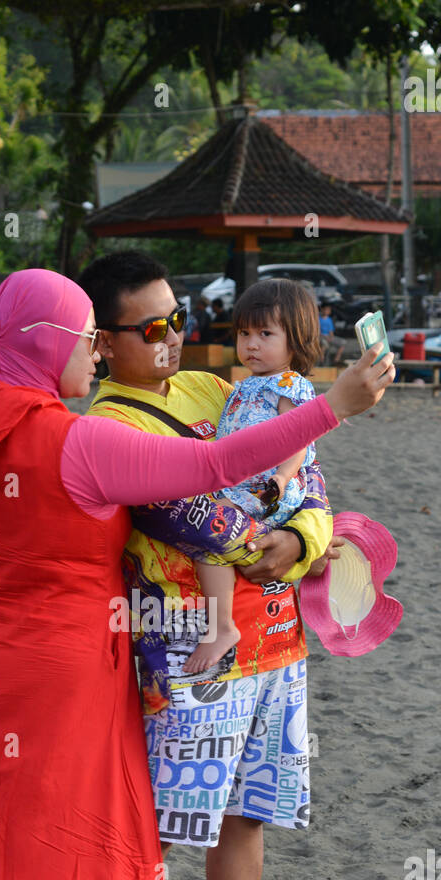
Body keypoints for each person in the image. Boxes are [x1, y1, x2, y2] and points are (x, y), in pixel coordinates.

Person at [0, 266, 393, 880]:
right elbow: (212, 473)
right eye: (86, 342)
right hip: (63, 670)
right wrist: (333, 408)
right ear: (57, 344)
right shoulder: (82, 439)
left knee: (4, 851)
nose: (95, 357)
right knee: (83, 847)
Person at [79, 251, 393, 880]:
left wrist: (307, 539)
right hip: (184, 645)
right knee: (153, 818)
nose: (172, 338)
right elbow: (180, 509)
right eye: (150, 328)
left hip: (271, 636)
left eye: (178, 319)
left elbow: (304, 475)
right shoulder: (104, 424)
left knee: (245, 811)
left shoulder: (215, 389)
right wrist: (268, 543)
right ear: (100, 343)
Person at [184, 279, 323, 674]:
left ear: (295, 340)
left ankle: (222, 627)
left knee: (210, 529)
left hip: (267, 490)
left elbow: (299, 436)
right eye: (244, 333)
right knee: (208, 520)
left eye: (265, 334)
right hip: (243, 484)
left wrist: (281, 477)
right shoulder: (243, 386)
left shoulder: (290, 385)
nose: (252, 344)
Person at [318, 301, 345, 366]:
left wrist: (331, 337)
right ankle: (321, 361)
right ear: (321, 309)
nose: (327, 311)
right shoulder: (318, 319)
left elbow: (331, 331)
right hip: (321, 337)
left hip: (328, 337)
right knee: (324, 344)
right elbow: (317, 332)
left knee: (343, 343)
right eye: (325, 309)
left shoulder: (329, 320)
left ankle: (336, 360)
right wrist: (326, 337)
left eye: (328, 310)